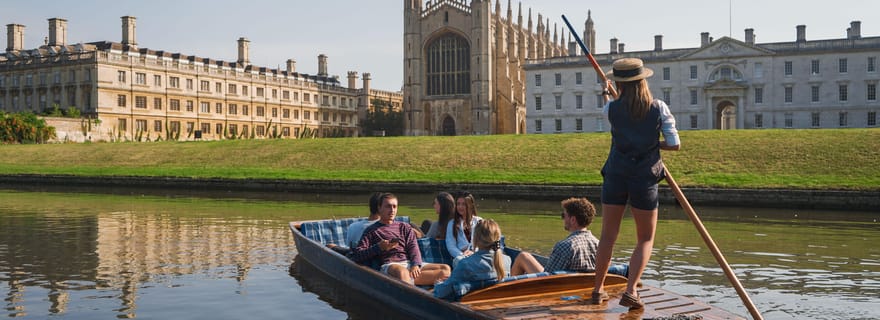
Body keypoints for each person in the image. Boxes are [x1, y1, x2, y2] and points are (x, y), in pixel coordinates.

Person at [592, 58, 680, 309]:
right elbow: (674, 144)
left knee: (608, 236)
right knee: (645, 238)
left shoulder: (611, 108)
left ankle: (597, 290)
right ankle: (631, 291)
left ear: (619, 84)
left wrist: (607, 95)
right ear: (642, 81)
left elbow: (614, 118)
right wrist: (652, 144)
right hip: (644, 177)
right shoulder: (658, 107)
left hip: (616, 175)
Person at [349, 193, 450, 285]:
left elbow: (413, 247)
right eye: (388, 206)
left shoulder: (404, 227)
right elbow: (357, 255)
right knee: (402, 272)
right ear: (379, 208)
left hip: (408, 263)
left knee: (446, 269)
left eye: (394, 206)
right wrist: (379, 247)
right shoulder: (371, 230)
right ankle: (412, 287)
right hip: (391, 265)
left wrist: (415, 264)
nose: (392, 210)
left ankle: (407, 281)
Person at [509, 197, 602, 275]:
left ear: (573, 220)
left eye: (563, 215)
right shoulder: (599, 245)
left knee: (523, 257)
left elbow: (547, 276)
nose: (563, 219)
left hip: (554, 286)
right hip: (582, 285)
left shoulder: (565, 246)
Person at [433, 219, 511, 301]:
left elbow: (441, 293)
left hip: (469, 305)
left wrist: (438, 283)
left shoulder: (466, 264)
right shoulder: (507, 261)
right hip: (496, 302)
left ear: (475, 239)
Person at [445, 191, 483, 266]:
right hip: (461, 258)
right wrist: (463, 255)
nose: (460, 207)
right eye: (458, 204)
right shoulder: (452, 224)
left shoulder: (479, 221)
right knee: (459, 260)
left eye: (464, 204)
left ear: (471, 205)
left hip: (477, 255)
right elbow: (451, 246)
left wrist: (473, 252)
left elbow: (484, 243)